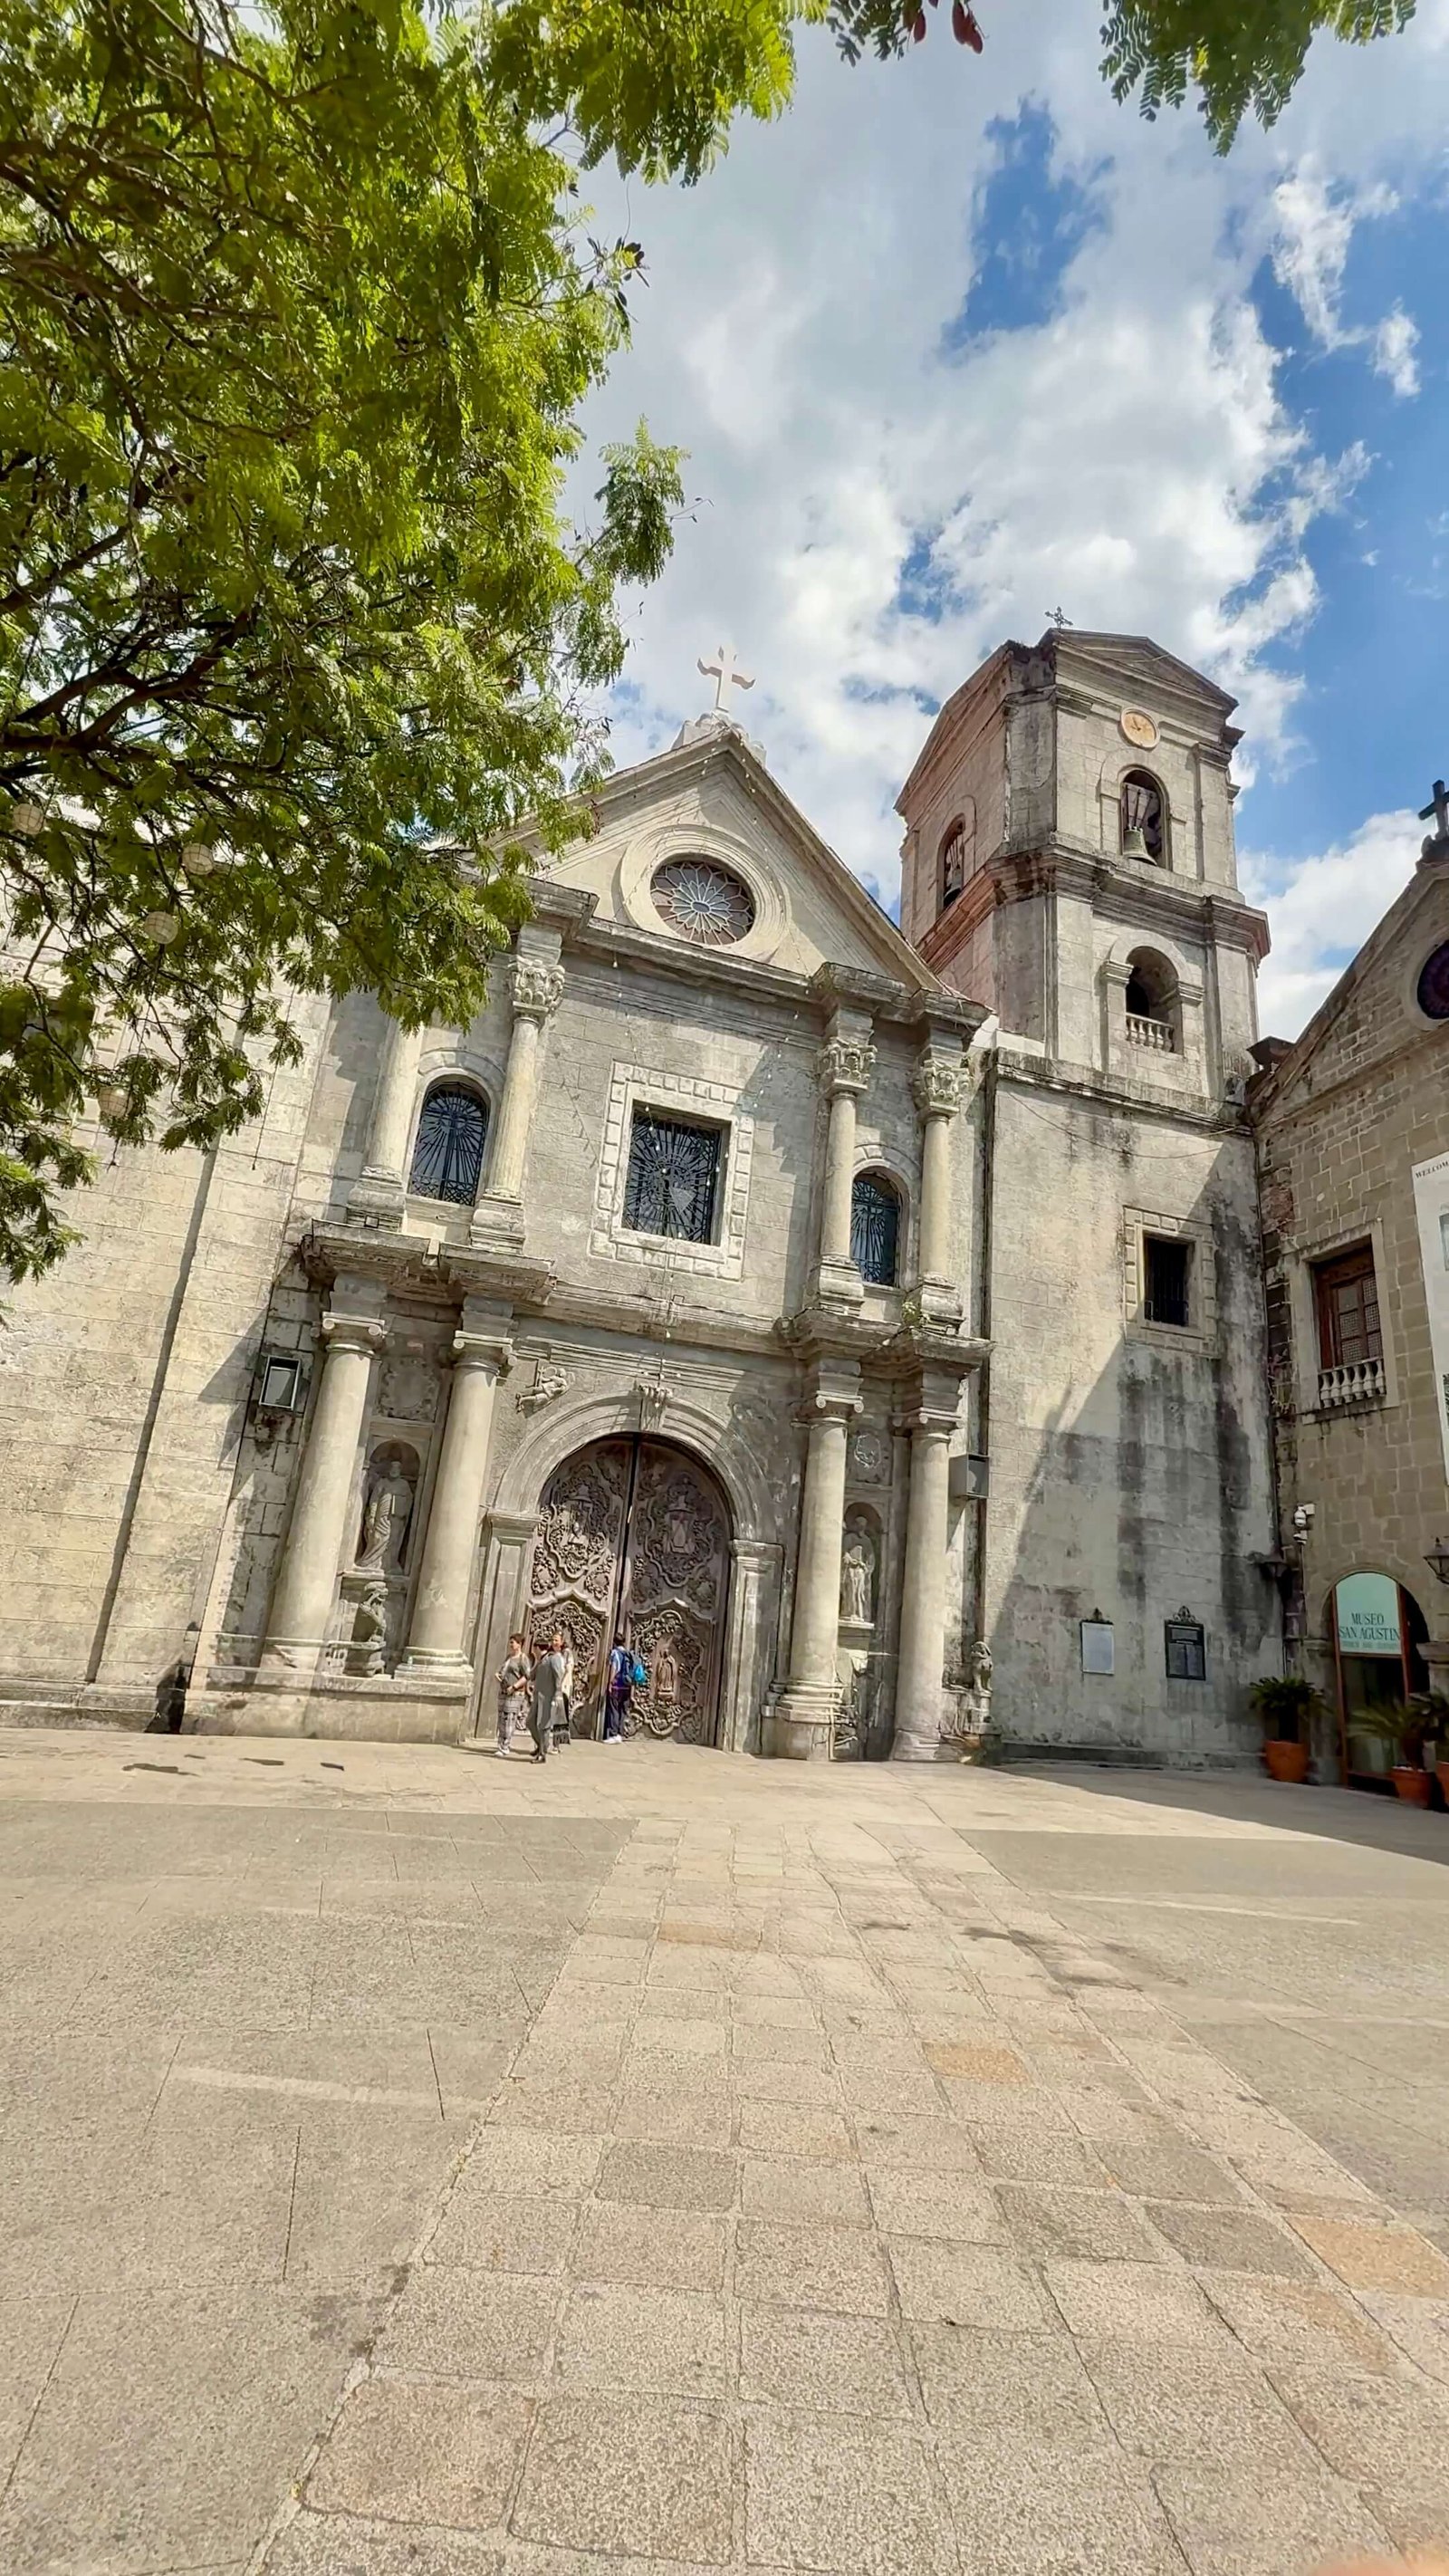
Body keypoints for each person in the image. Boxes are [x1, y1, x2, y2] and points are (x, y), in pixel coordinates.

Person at [530, 1629, 569, 1765]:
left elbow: (558, 1677)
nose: (553, 1642)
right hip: (538, 1695)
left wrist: (557, 1695)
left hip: (548, 1696)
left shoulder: (555, 1658)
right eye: (552, 1640)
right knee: (530, 1722)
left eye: (556, 1640)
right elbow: (532, 1675)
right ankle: (541, 1745)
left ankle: (542, 1753)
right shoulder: (545, 1658)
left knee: (544, 1725)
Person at [494, 1629, 531, 1758]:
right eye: (510, 1643)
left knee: (509, 1718)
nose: (511, 1645)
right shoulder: (509, 1657)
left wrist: (514, 1687)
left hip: (515, 1693)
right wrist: (499, 1676)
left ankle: (505, 1746)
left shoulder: (523, 1659)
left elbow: (526, 1676)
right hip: (504, 1690)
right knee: (501, 1719)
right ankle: (500, 1744)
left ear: (519, 1644)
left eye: (513, 1643)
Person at [603, 1635, 633, 1743]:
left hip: (617, 1685)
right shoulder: (628, 1653)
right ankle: (620, 1734)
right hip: (627, 1686)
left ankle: (613, 1734)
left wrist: (610, 1682)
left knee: (614, 1709)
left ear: (614, 1642)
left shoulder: (615, 1653)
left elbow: (615, 1668)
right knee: (622, 1710)